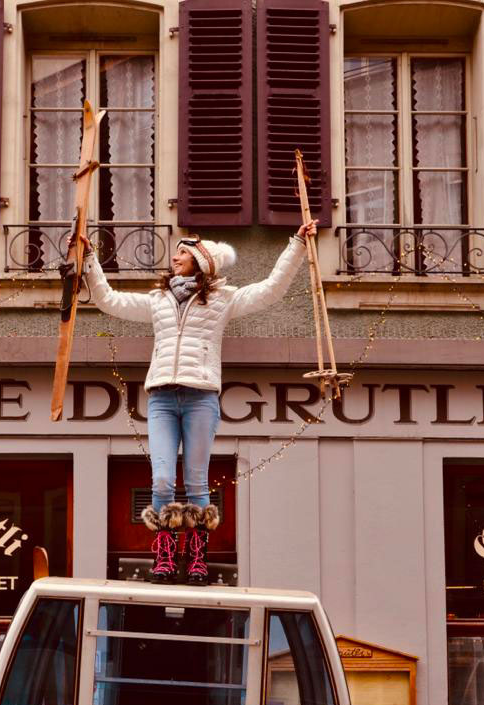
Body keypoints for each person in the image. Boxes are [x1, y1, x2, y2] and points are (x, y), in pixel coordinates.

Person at [80, 221, 317, 585]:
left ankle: (196, 560)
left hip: (201, 397)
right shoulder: (158, 300)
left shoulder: (223, 299)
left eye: (183, 252)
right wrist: (89, 259)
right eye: (176, 252)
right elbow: (109, 300)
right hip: (161, 397)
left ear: (201, 262)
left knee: (195, 482)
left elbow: (271, 290)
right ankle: (163, 557)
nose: (174, 257)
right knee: (160, 480)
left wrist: (298, 244)